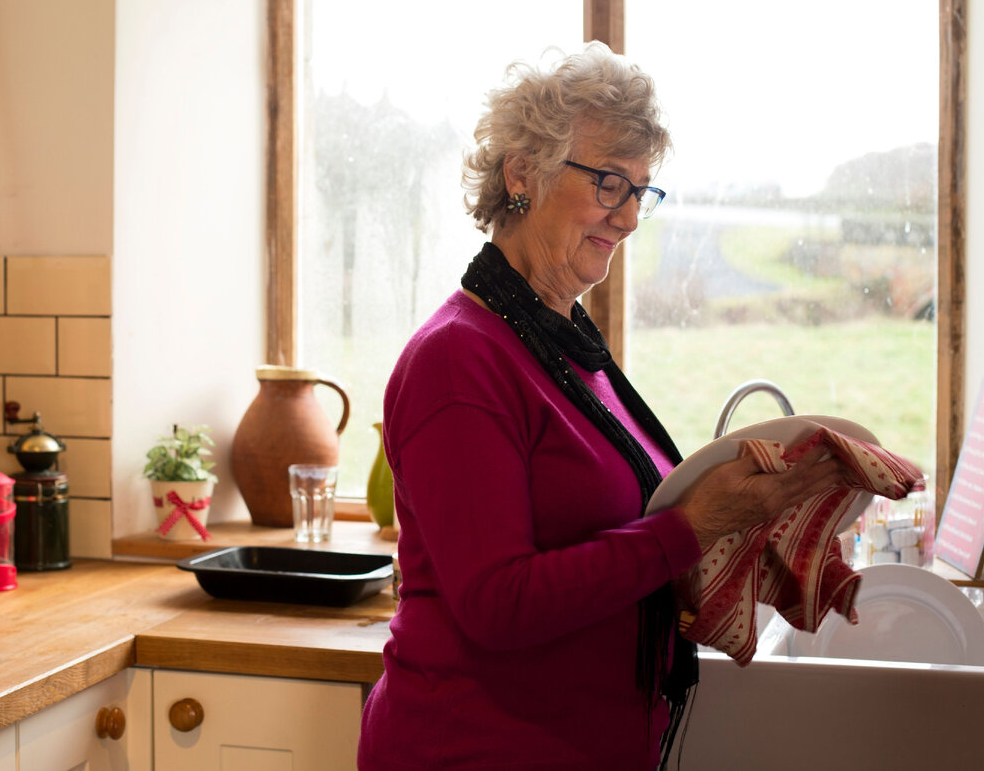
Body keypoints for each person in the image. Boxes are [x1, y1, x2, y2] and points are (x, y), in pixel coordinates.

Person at [357, 43, 849, 770]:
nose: (629, 219)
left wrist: (757, 543)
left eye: (642, 191)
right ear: (522, 173)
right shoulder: (459, 360)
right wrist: (690, 527)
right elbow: (500, 602)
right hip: (473, 749)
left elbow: (617, 550)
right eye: (610, 182)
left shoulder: (562, 349)